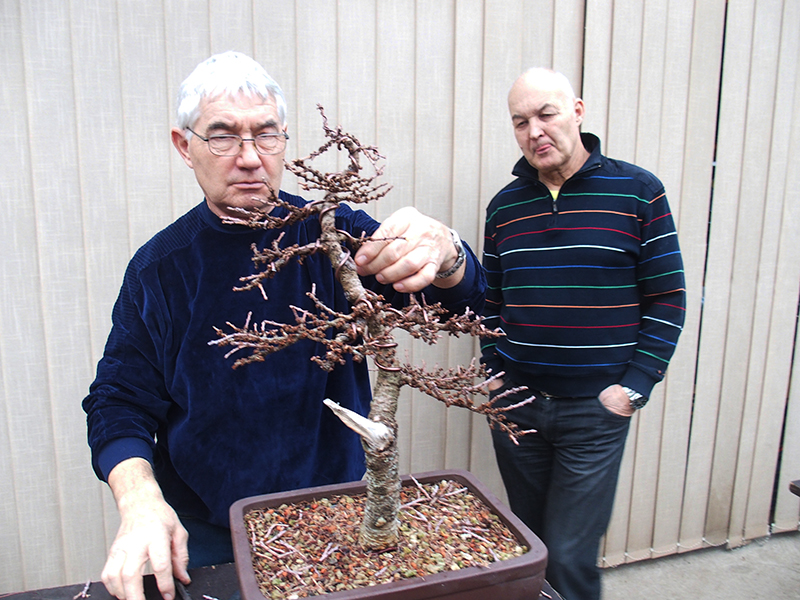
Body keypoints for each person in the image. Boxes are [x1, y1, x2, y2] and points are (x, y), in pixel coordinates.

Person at [83, 51, 485, 600]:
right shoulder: (160, 269)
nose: (250, 157)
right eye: (223, 136)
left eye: (266, 134)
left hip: (337, 512)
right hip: (210, 528)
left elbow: (459, 304)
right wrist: (139, 499)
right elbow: (118, 398)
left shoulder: (334, 236)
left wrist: (448, 251)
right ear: (184, 146)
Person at [480, 67, 686, 599]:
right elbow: (490, 303)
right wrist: (493, 374)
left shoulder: (638, 192)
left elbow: (668, 297)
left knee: (570, 558)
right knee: (530, 547)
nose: (535, 131)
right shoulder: (504, 207)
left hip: (594, 413)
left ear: (577, 112)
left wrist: (633, 388)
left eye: (546, 115)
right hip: (518, 408)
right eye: (520, 122)